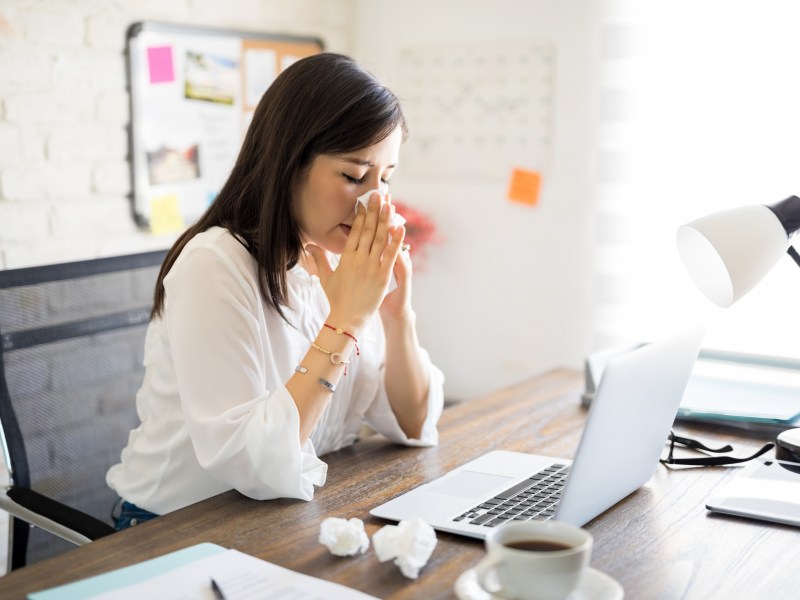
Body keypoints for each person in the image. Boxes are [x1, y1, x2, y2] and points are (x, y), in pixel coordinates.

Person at [107, 53, 445, 529]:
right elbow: (251, 465)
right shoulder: (216, 263)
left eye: (385, 178)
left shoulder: (334, 259)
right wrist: (344, 321)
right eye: (353, 176)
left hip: (282, 521)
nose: (376, 201)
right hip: (174, 528)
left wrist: (395, 312)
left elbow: (412, 422)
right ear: (288, 162)